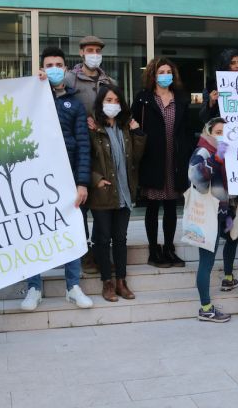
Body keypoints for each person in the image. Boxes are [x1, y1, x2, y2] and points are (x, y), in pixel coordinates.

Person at [23, 46, 92, 311]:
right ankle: (33, 287)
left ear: (65, 68)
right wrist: (36, 88)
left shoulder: (74, 103)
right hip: (35, 179)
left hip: (68, 178)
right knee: (33, 232)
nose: (53, 68)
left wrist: (82, 182)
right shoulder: (32, 98)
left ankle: (72, 286)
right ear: (42, 68)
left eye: (58, 64)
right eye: (48, 64)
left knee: (71, 231)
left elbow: (83, 145)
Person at [63, 35, 117, 274]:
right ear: (81, 53)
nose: (94, 54)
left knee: (102, 204)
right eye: (89, 50)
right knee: (81, 206)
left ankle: (99, 251)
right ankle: (83, 253)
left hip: (103, 149)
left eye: (97, 50)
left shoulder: (109, 80)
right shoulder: (69, 79)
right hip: (79, 150)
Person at [131, 58, 192, 268]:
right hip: (152, 160)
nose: (166, 75)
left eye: (169, 71)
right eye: (161, 71)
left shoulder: (181, 98)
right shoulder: (143, 99)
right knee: (152, 206)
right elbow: (132, 125)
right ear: (153, 75)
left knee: (171, 207)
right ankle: (153, 250)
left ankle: (168, 248)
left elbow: (186, 131)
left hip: (175, 161)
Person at [88, 85, 146, 301]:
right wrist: (96, 180)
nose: (112, 104)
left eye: (116, 100)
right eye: (108, 100)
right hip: (103, 193)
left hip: (125, 192)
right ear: (101, 103)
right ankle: (107, 283)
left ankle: (122, 281)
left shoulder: (125, 128)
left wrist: (138, 133)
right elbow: (85, 158)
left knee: (120, 238)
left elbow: (136, 159)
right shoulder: (93, 128)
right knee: (103, 239)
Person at [188, 117, 238, 322]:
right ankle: (206, 308)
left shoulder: (232, 150)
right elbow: (195, 177)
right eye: (218, 131)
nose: (221, 135)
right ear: (209, 132)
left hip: (226, 210)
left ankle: (228, 277)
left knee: (233, 239)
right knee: (206, 261)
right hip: (208, 214)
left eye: (225, 131)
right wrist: (215, 159)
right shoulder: (203, 151)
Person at [199, 48, 238, 124]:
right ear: (225, 65)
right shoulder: (211, 87)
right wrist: (210, 103)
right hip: (220, 132)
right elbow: (203, 117)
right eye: (232, 63)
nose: (237, 66)